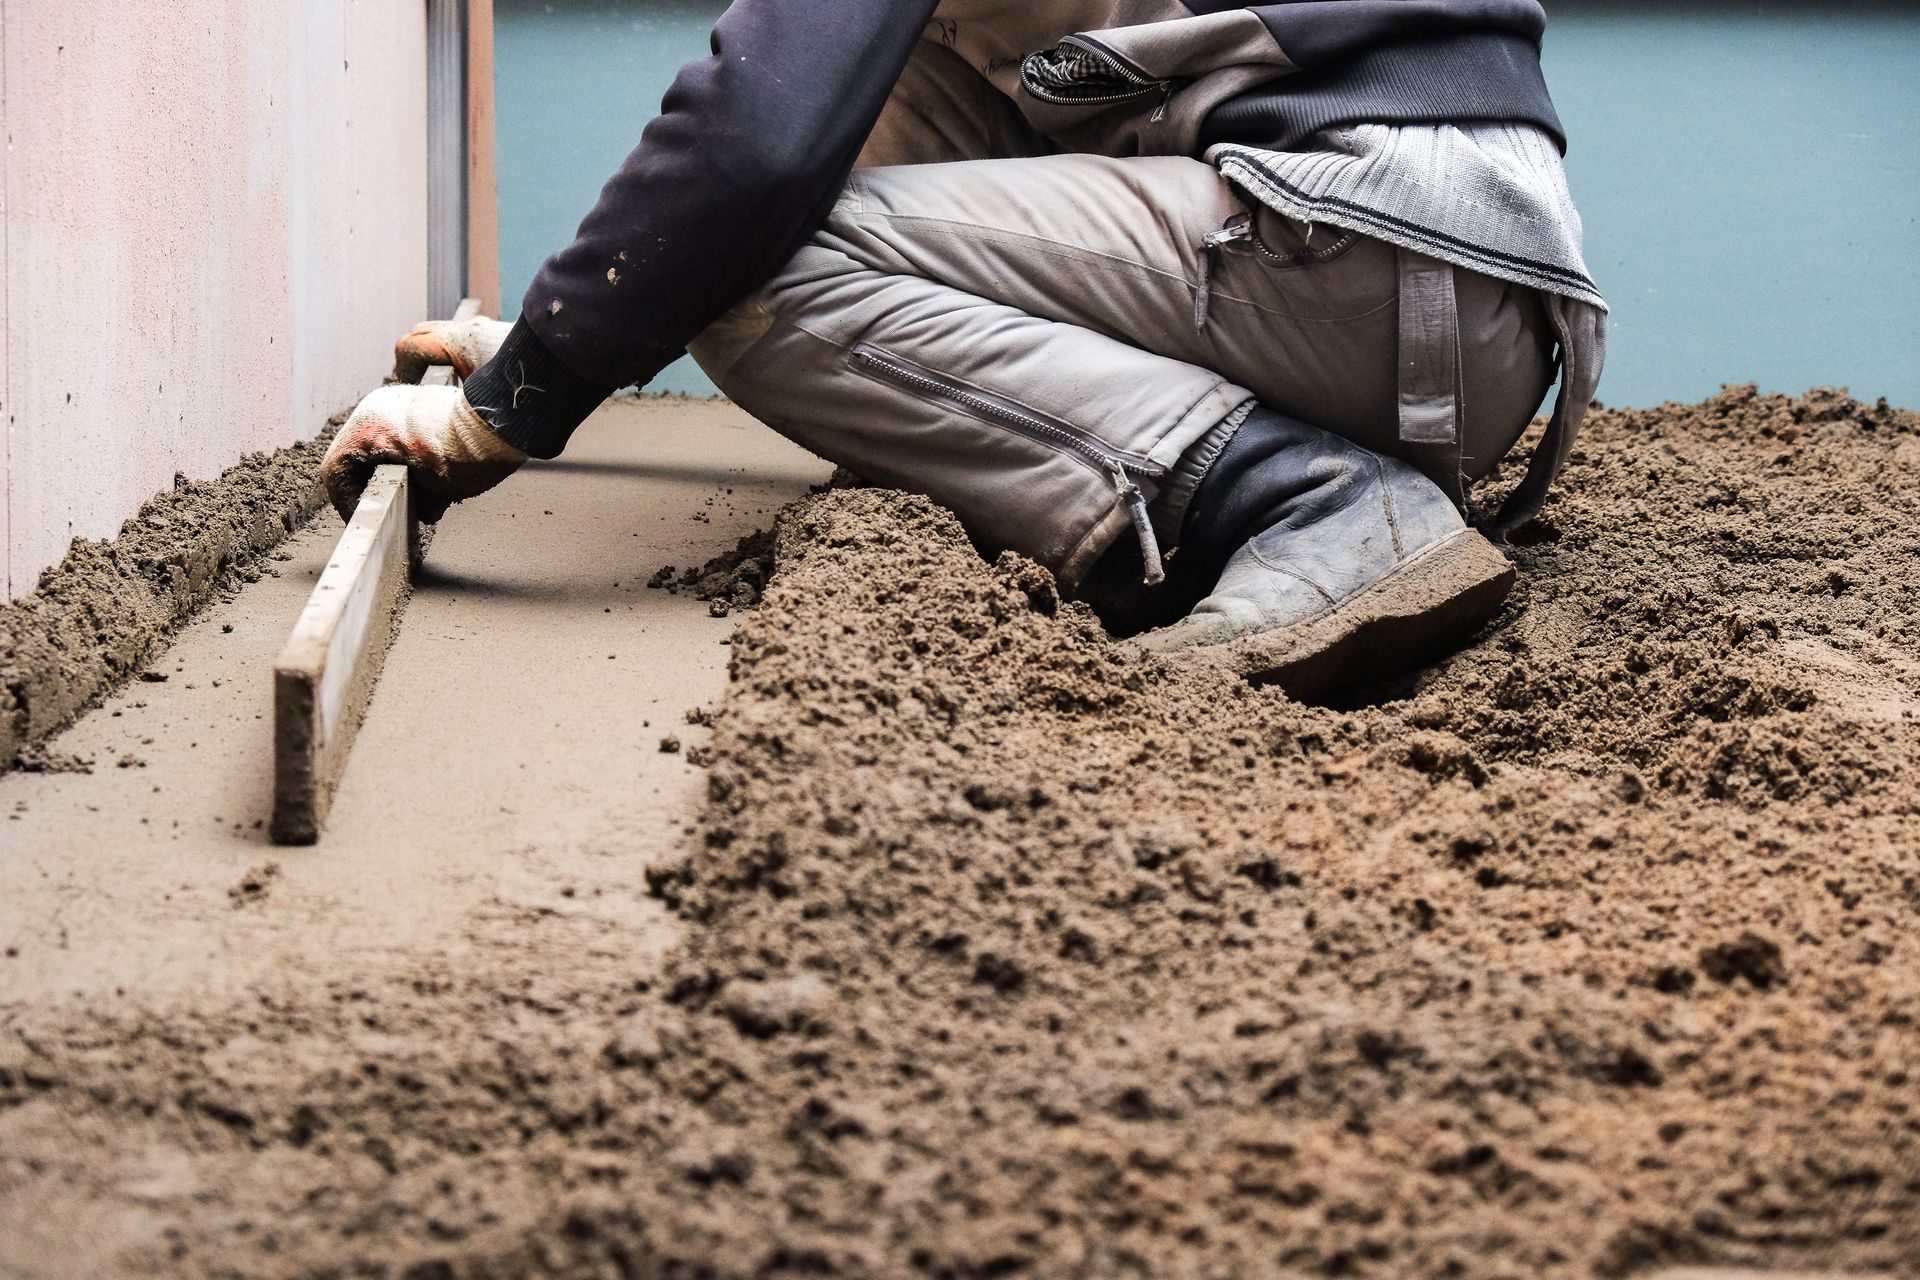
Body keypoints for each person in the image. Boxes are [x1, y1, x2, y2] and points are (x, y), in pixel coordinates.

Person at [323, 0, 1606, 695]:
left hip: (1353, 237)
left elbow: (757, 146)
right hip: (1479, 301)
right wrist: (585, 326)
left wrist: (512, 400)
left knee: (762, 266)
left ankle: (1300, 496)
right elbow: (839, 132)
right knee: (915, 73)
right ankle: (1303, 462)